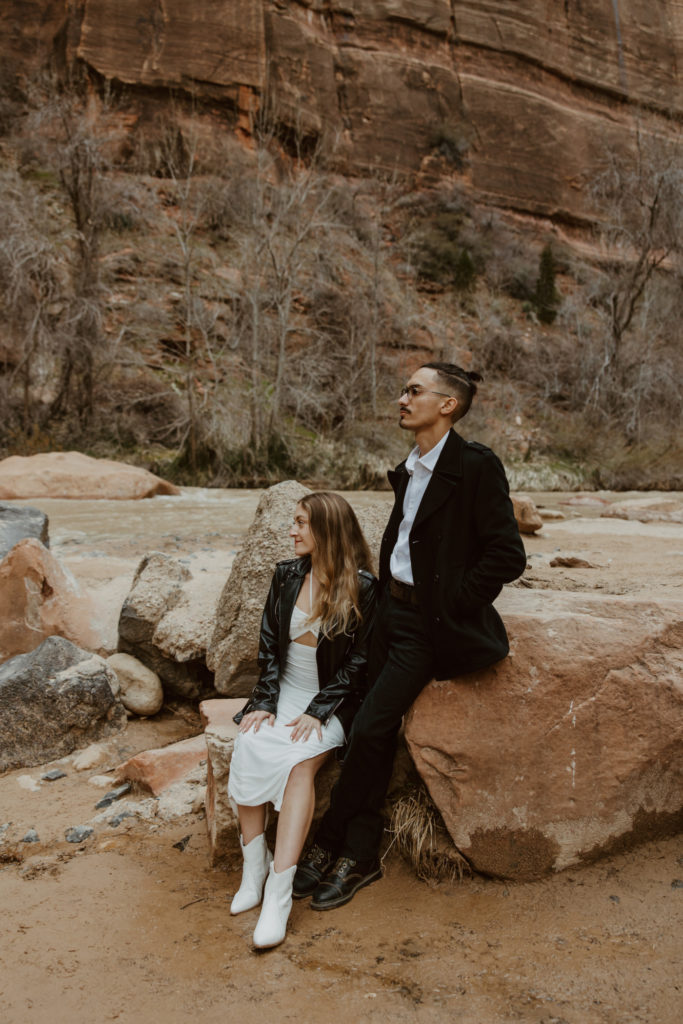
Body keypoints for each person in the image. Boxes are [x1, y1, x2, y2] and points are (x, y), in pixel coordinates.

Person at [294, 362, 527, 910]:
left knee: (374, 726)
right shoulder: (413, 465)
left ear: (448, 404)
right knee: (362, 725)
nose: (402, 398)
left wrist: (448, 604)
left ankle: (338, 842)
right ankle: (355, 848)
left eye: (414, 391)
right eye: (404, 390)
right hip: (387, 614)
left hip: (427, 625)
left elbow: (506, 555)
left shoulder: (475, 466)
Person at [227, 491, 377, 948]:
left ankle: (279, 894)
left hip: (329, 701)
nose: (291, 531)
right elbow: (269, 646)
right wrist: (265, 702)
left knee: (298, 766)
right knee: (249, 742)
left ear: (326, 530)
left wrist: (319, 711)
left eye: (300, 523)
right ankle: (253, 872)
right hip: (284, 692)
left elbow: (360, 663)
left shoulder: (364, 587)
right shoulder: (286, 575)